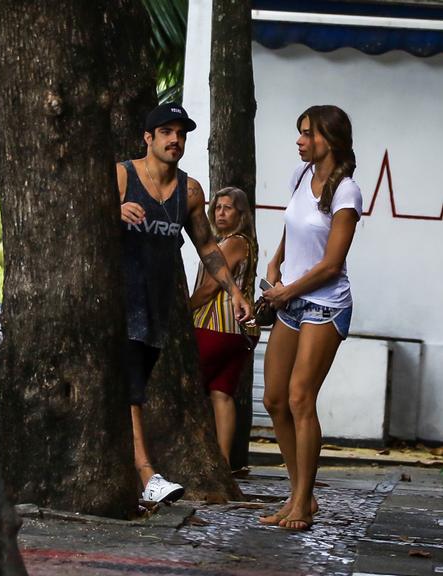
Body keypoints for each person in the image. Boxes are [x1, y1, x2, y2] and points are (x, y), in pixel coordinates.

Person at [117, 103, 252, 504]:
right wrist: (113, 210)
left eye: (181, 133)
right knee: (132, 389)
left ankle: (139, 473)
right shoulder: (123, 176)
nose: (175, 140)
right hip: (121, 303)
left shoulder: (190, 192)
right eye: (166, 132)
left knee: (135, 386)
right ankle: (147, 475)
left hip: (158, 306)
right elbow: (80, 220)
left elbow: (208, 246)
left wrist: (235, 292)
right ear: (148, 137)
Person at [259, 105, 362, 530]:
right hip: (292, 300)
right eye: (299, 133)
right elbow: (293, 224)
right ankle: (301, 493)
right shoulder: (301, 177)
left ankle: (302, 503)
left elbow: (332, 263)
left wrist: (287, 290)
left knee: (301, 397)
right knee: (274, 400)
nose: (299, 141)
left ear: (329, 140)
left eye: (307, 134)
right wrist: (275, 265)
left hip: (325, 303)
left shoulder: (346, 192)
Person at [189, 187, 259, 467]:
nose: (220, 213)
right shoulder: (248, 244)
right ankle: (223, 462)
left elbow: (209, 288)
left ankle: (199, 461)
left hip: (214, 326)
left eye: (227, 208)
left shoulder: (231, 243)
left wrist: (184, 309)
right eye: (217, 207)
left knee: (192, 389)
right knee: (222, 394)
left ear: (241, 214)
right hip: (240, 334)